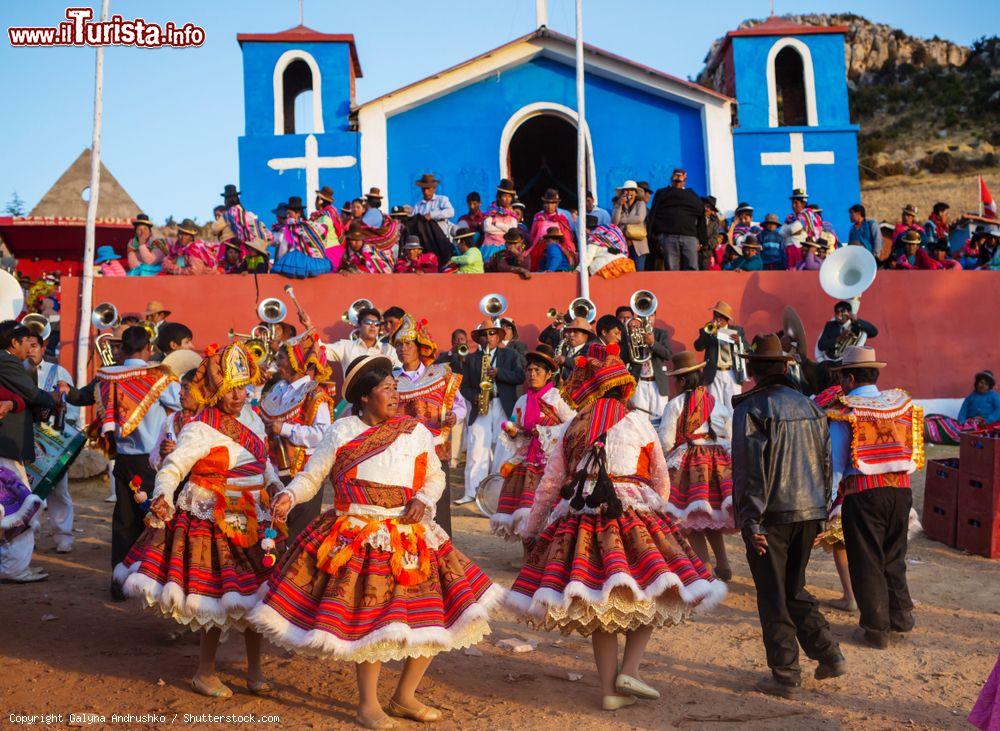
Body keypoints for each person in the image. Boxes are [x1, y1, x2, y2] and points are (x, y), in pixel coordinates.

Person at [252, 355, 502, 728]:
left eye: (395, 387)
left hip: (409, 533)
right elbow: (312, 476)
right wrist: (289, 494)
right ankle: (368, 704)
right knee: (369, 620)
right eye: (386, 389)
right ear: (364, 397)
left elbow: (434, 477)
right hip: (358, 532)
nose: (395, 394)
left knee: (437, 614)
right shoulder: (341, 431)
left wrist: (423, 499)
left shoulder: (415, 431)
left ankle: (405, 696)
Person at [507, 343, 725, 710]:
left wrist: (532, 531)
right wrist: (657, 508)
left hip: (580, 517)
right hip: (632, 512)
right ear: (621, 387)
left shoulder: (572, 426)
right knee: (655, 589)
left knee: (598, 605)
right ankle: (632, 669)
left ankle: (609, 690)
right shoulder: (638, 420)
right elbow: (660, 477)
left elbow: (548, 485)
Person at [116, 343, 281, 699]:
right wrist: (162, 494)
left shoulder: (251, 421)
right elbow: (174, 467)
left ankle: (255, 670)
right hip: (213, 516)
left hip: (254, 515)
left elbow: (264, 463)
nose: (239, 395)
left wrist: (278, 488)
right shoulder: (199, 427)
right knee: (216, 598)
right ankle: (204, 672)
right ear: (216, 391)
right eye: (231, 389)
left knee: (256, 596)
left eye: (243, 387)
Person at [731, 333, 846, 697]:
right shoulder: (811, 406)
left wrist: (750, 520)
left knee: (773, 593)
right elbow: (827, 465)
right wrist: (822, 511)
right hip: (809, 510)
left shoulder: (751, 408)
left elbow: (750, 470)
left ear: (752, 369)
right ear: (784, 367)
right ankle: (829, 654)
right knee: (793, 587)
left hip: (771, 515)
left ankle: (785, 673)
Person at [827, 346, 922, 649]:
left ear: (850, 377)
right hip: (901, 489)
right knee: (894, 554)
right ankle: (901, 615)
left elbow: (837, 463)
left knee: (866, 559)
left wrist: (828, 501)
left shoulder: (848, 411)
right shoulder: (901, 404)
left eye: (842, 377)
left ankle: (875, 629)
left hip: (865, 492)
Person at [95, 325, 181, 600]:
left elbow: (87, 396)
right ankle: (150, 582)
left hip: (123, 458)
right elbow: (183, 402)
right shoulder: (158, 378)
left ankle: (118, 584)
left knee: (124, 520)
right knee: (156, 519)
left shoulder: (108, 376)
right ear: (147, 349)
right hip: (151, 460)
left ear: (122, 348)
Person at [659, 350, 734, 580]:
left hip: (691, 464)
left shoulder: (675, 405)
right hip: (718, 464)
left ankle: (706, 571)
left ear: (682, 380)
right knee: (710, 518)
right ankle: (723, 565)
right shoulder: (717, 403)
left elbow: (666, 441)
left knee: (692, 521)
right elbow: (728, 435)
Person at [390, 315, 465, 535]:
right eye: (399, 345)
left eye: (408, 344)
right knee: (405, 505)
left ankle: (441, 557)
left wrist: (454, 416)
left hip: (435, 448)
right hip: (402, 452)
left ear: (419, 347)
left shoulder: (441, 374)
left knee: (438, 505)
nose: (403, 349)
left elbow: (460, 405)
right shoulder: (391, 378)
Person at [490, 345, 574, 539]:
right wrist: (512, 431)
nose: (532, 374)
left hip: (551, 463)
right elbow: (515, 426)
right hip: (527, 463)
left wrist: (545, 432)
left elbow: (573, 424)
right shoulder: (522, 401)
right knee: (525, 511)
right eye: (529, 370)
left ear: (548, 375)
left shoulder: (557, 398)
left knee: (549, 512)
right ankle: (527, 556)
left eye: (538, 371)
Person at [258, 329, 334, 540]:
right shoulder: (278, 388)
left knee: (298, 536)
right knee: (272, 535)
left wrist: (284, 429)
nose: (276, 361)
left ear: (295, 361)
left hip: (302, 474)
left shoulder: (314, 393)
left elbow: (323, 435)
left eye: (281, 357)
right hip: (273, 472)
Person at [0, 321, 56, 582]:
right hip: (7, 444)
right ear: (14, 343)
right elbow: (32, 394)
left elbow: (22, 396)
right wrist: (54, 399)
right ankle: (14, 567)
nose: (29, 348)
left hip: (8, 444)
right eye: (26, 343)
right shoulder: (8, 361)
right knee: (20, 507)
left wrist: (17, 401)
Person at [23, 328, 86, 554]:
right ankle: (27, 534)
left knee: (58, 488)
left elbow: (72, 407)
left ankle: (63, 535)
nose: (30, 350)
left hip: (53, 442)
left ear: (42, 348)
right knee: (25, 489)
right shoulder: (16, 371)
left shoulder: (58, 371)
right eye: (26, 345)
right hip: (24, 437)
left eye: (34, 345)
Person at [457, 319, 525, 506]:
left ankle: (499, 492)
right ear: (479, 339)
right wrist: (475, 397)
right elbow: (465, 387)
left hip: (503, 405)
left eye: (492, 334)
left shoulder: (510, 355)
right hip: (482, 405)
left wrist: (499, 373)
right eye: (484, 335)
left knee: (504, 449)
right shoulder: (471, 358)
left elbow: (520, 376)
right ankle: (472, 492)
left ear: (499, 336)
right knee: (476, 447)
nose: (488, 338)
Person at [311, 306, 400, 381]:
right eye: (368, 322)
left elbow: (398, 373)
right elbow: (321, 348)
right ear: (358, 325)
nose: (373, 326)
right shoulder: (345, 346)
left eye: (376, 323)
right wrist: (309, 327)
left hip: (382, 399)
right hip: (352, 400)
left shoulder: (389, 349)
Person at [618, 310, 673, 427]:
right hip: (639, 382)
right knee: (638, 420)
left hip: (657, 383)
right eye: (644, 315)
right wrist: (629, 340)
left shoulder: (660, 334)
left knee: (659, 419)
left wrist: (653, 343)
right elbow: (624, 358)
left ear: (655, 317)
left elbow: (668, 354)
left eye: (651, 315)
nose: (648, 318)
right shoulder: (632, 334)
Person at [649, 168, 707, 271]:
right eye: (676, 176)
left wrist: (702, 240)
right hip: (668, 236)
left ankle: (692, 287)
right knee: (671, 269)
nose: (678, 179)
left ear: (685, 180)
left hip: (689, 237)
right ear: (671, 179)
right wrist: (653, 237)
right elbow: (653, 214)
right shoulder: (662, 193)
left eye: (681, 177)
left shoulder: (692, 195)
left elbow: (701, 216)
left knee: (692, 268)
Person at [694, 300, 747, 411]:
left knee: (733, 408)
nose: (717, 319)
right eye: (715, 315)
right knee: (715, 409)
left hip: (732, 373)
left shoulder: (737, 331)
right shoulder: (707, 330)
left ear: (727, 319)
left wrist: (739, 342)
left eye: (721, 317)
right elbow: (698, 347)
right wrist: (709, 332)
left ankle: (732, 429)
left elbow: (749, 349)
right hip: (714, 373)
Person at [272, 196, 333, 278]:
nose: (287, 216)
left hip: (300, 263)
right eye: (287, 214)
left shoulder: (305, 227)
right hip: (293, 264)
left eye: (289, 213)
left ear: (298, 213)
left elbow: (321, 232)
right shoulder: (288, 228)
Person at [220, 184, 274, 273]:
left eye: (252, 249)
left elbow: (260, 271)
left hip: (237, 242)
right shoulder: (246, 214)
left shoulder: (229, 213)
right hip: (241, 242)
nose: (251, 250)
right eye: (250, 248)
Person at [528, 189, 575, 271]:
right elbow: (532, 235)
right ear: (543, 203)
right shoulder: (538, 217)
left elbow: (568, 237)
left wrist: (570, 249)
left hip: (558, 243)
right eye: (547, 203)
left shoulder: (562, 218)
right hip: (541, 244)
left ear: (557, 204)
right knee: (534, 256)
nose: (549, 206)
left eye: (552, 203)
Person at [780, 189, 822, 268]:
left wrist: (789, 231)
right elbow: (781, 233)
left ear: (803, 203)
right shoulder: (791, 217)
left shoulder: (806, 215)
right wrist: (792, 231)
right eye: (792, 203)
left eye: (796, 203)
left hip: (799, 249)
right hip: (790, 250)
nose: (793, 205)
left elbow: (793, 229)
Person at [612, 180, 648, 269]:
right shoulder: (619, 205)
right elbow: (614, 222)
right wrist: (620, 205)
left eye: (632, 190)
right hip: (623, 245)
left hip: (638, 245)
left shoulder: (641, 204)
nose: (629, 192)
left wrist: (623, 220)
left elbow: (639, 218)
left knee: (639, 272)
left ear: (636, 193)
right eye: (626, 190)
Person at [481, 180, 518, 260]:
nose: (507, 199)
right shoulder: (491, 211)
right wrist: (505, 229)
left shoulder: (512, 215)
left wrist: (496, 224)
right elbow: (487, 228)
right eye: (504, 196)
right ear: (499, 197)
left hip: (507, 247)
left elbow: (512, 230)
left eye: (509, 196)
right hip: (491, 247)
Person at [554, 316, 593, 383]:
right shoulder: (563, 347)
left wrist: (564, 360)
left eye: (575, 332)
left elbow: (584, 365)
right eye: (570, 331)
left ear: (585, 336)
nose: (571, 334)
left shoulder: (589, 351)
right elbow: (543, 337)